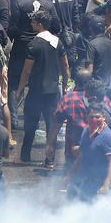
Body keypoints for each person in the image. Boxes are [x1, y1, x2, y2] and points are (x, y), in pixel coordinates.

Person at [14, 9, 69, 164]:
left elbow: (26, 70)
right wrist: (65, 85)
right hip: (53, 92)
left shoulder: (33, 44)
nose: (31, 24)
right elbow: (65, 66)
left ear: (39, 24)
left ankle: (25, 157)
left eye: (33, 22)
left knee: (30, 125)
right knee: (52, 126)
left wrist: (19, 90)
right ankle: (49, 161)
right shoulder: (57, 42)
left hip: (36, 92)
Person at [66, 102, 111, 200]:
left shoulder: (108, 136)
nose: (94, 120)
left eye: (97, 117)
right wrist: (70, 174)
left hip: (101, 184)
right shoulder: (86, 131)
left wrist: (106, 185)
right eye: (91, 117)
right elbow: (82, 155)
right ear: (87, 117)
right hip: (86, 183)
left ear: (103, 117)